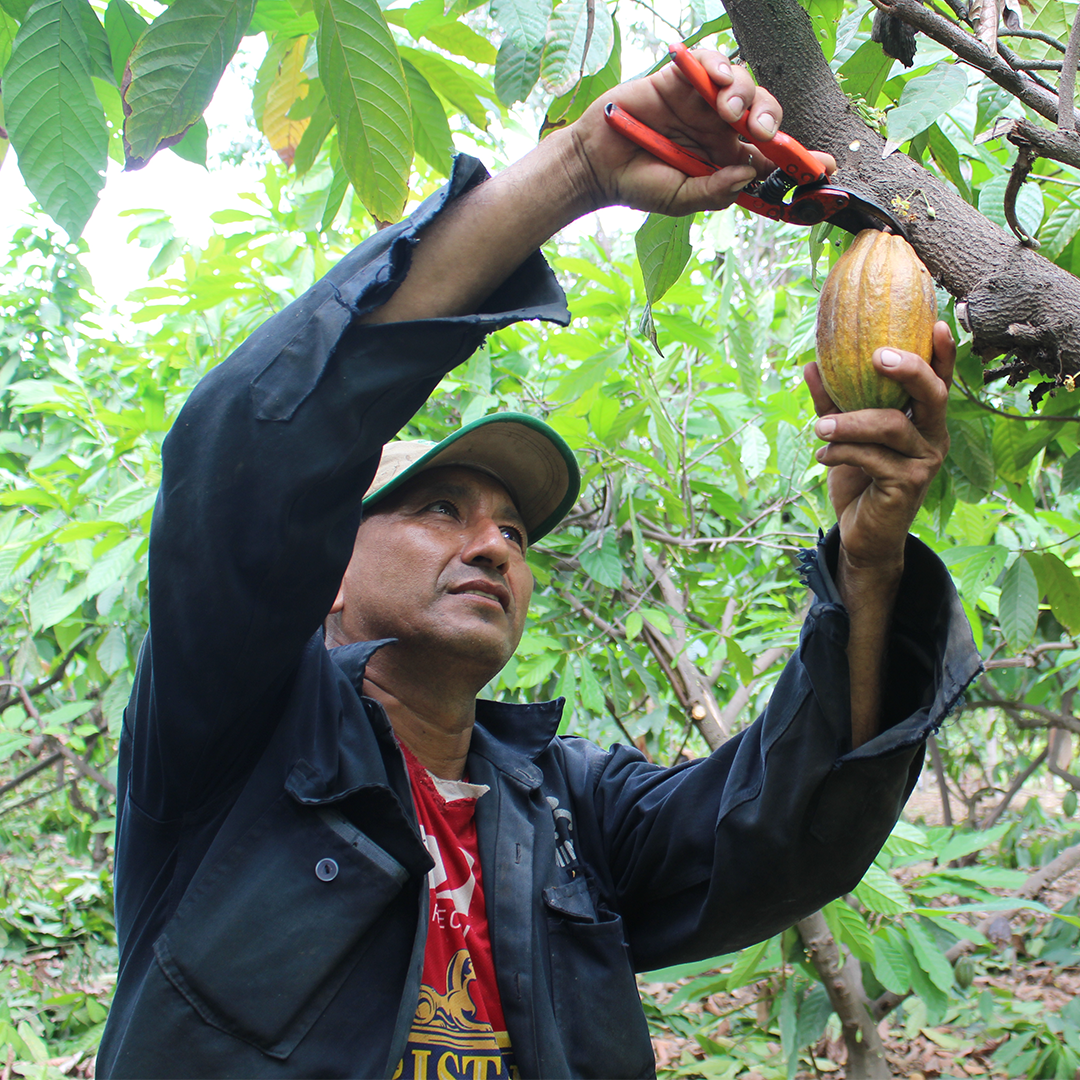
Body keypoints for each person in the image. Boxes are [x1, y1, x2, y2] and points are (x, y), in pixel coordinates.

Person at [96, 49, 981, 1080]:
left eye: (515, 533)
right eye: (437, 509)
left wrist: (869, 566)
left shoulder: (566, 811)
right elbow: (246, 452)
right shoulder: (231, 738)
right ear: (323, 570)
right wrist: (584, 166)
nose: (491, 545)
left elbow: (784, 837)